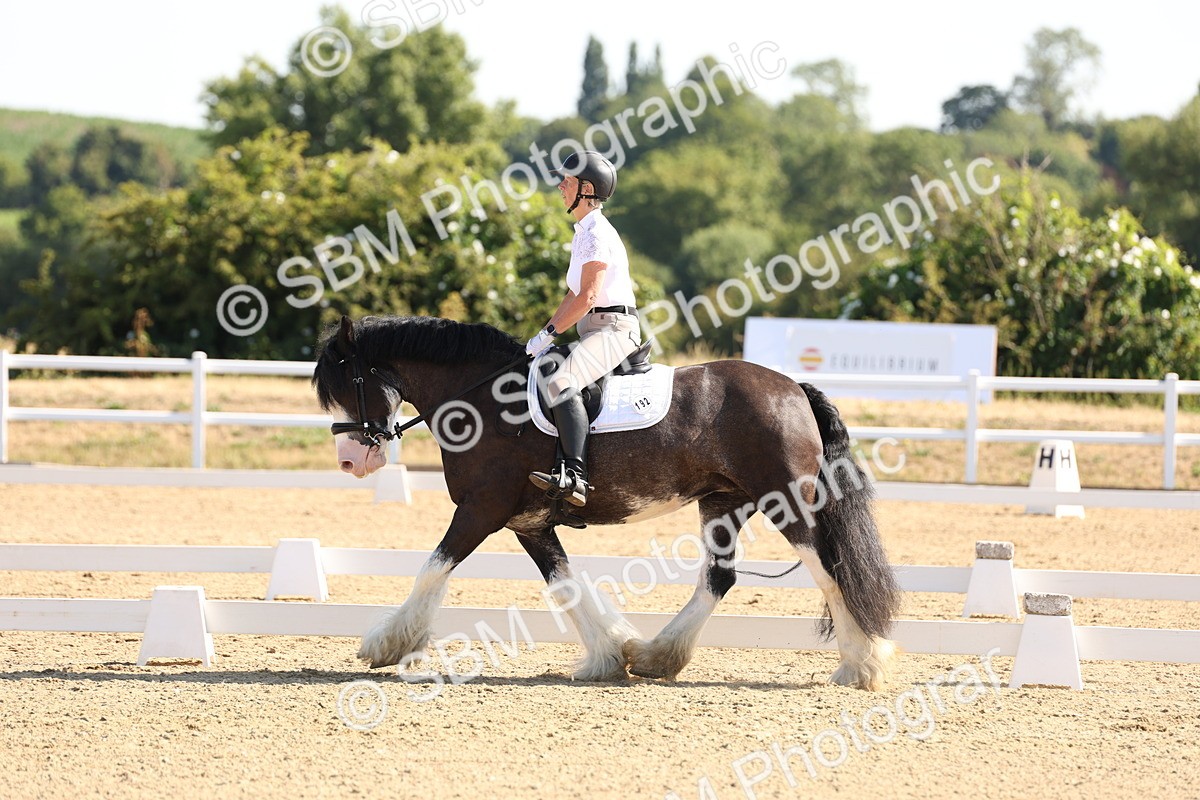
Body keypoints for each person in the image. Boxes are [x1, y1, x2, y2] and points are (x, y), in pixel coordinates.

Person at [524, 150, 641, 509]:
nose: (560, 186)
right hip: (593, 331)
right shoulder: (584, 232)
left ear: (586, 189)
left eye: (568, 181)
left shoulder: (596, 233)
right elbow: (572, 294)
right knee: (542, 370)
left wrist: (550, 333)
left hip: (614, 330)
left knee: (562, 382)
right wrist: (543, 333)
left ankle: (575, 476)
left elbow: (589, 296)